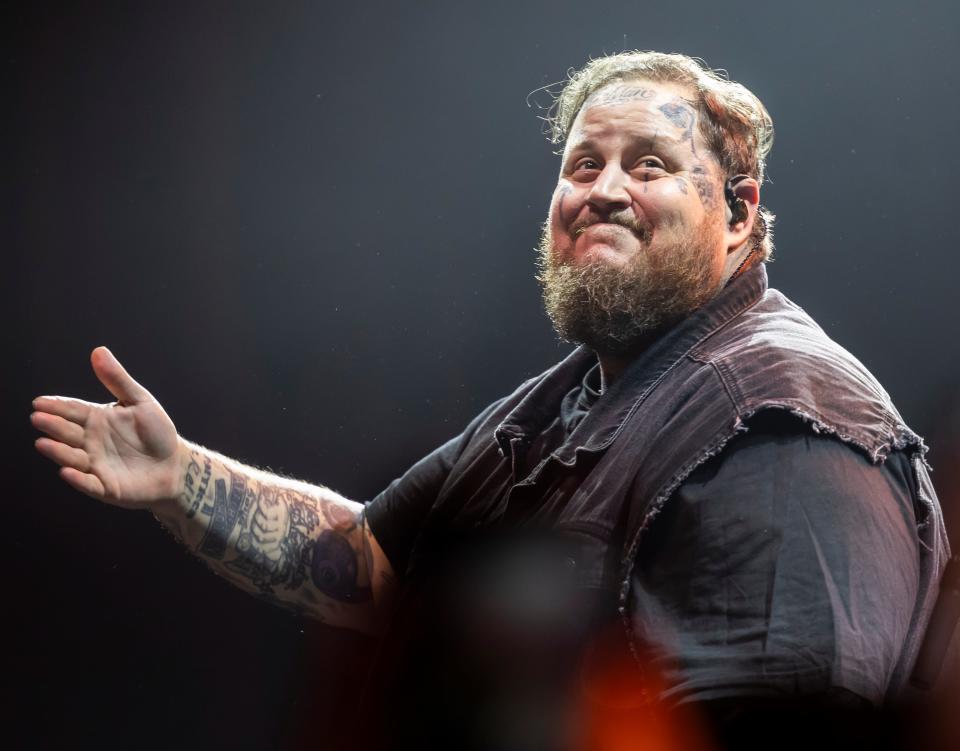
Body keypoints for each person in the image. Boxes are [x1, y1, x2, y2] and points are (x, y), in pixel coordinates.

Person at [31, 51, 950, 750]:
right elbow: (375, 566)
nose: (605, 190)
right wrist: (179, 475)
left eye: (651, 164)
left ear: (740, 216)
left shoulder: (779, 417)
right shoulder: (573, 396)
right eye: (583, 164)